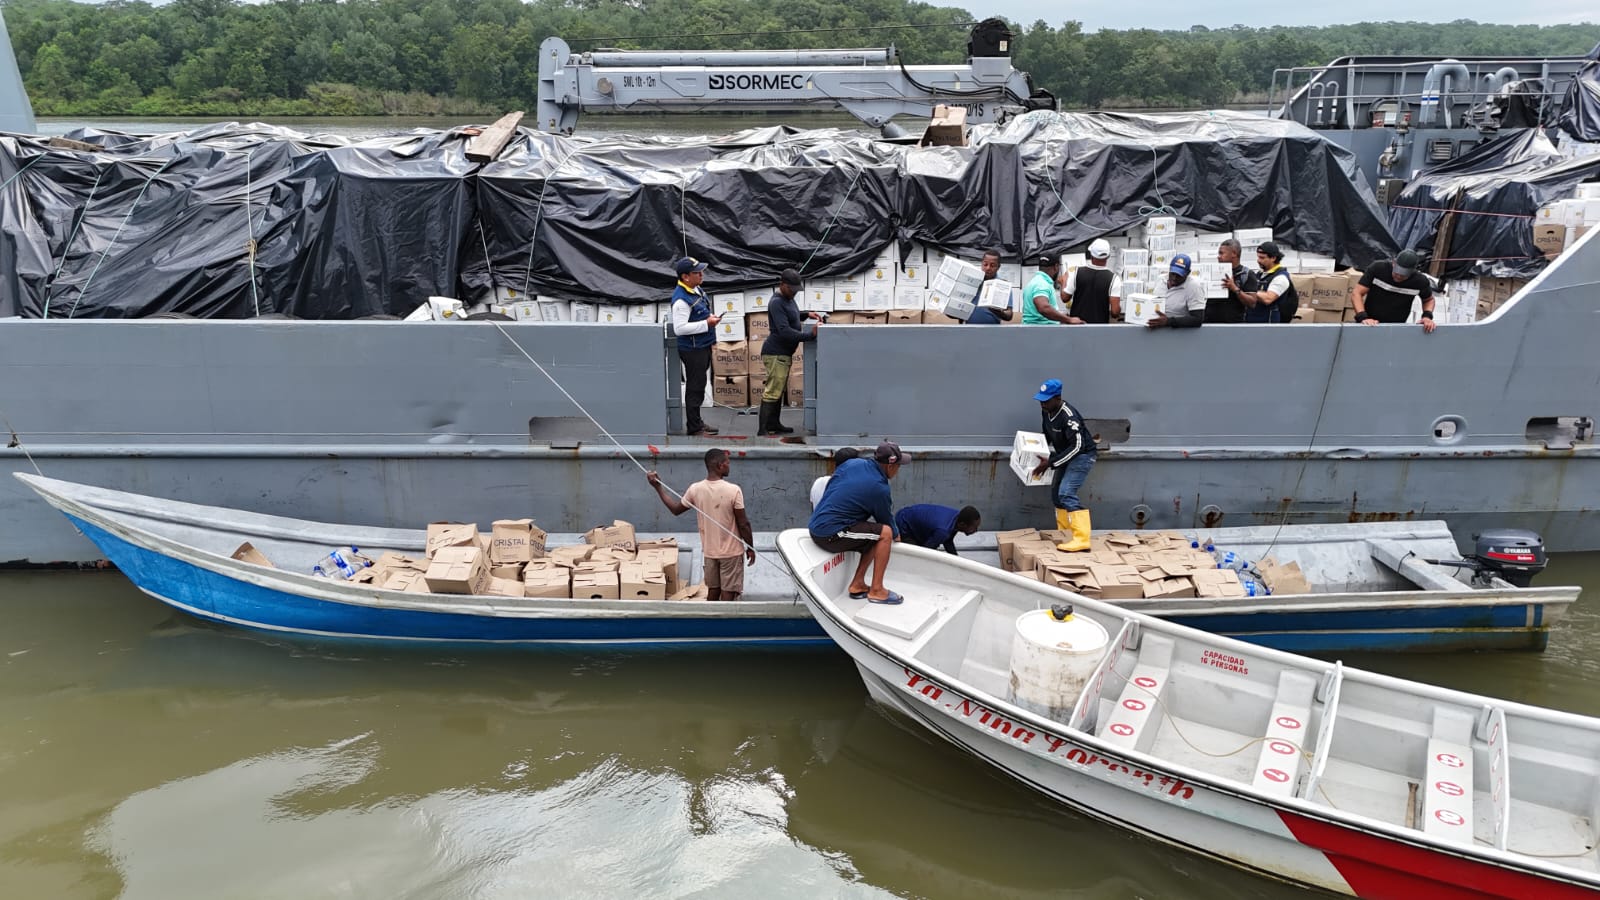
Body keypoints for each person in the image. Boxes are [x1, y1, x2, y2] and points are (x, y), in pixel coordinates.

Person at [647, 448, 755, 601]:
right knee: (728, 594)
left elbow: (676, 510)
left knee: (713, 591)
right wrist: (750, 547)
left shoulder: (695, 489)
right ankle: (724, 623)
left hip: (710, 553)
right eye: (727, 463)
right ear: (719, 466)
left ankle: (710, 623)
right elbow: (743, 523)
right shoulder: (734, 490)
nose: (729, 466)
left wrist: (658, 488)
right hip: (731, 554)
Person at [808, 441, 907, 605]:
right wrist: (897, 537)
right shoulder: (879, 488)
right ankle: (877, 591)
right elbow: (886, 521)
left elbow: (833, 487)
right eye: (899, 466)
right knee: (886, 534)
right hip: (831, 534)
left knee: (873, 536)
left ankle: (857, 584)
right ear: (890, 466)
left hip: (817, 526)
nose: (898, 470)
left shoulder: (852, 464)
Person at [1029, 379, 1096, 552]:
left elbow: (1078, 446)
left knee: (1066, 493)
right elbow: (1047, 435)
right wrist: (1034, 447)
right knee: (1056, 496)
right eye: (1041, 400)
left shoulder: (1069, 416)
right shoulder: (1047, 411)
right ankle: (1065, 533)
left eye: (1046, 400)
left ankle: (1082, 539)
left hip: (1082, 456)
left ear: (1058, 398)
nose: (1042, 403)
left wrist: (1050, 463)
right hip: (1064, 455)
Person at [758, 268, 822, 435]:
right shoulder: (776, 302)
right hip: (775, 353)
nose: (794, 293)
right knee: (773, 391)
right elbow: (784, 330)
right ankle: (763, 430)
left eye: (796, 290)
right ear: (782, 285)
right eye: (792, 289)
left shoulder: (787, 299)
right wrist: (810, 335)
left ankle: (774, 424)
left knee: (778, 390)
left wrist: (806, 314)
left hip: (782, 354)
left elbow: (792, 316)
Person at [669, 256, 722, 435]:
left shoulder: (695, 289)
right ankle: (694, 427)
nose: (701, 275)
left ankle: (697, 422)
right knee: (695, 387)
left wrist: (710, 318)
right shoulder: (681, 301)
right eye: (697, 273)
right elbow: (680, 329)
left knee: (699, 385)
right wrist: (708, 323)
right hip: (692, 349)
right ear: (685, 277)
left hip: (701, 346)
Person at [1351, 249, 1437, 332]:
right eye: (1396, 272)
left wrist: (1427, 317)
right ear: (1393, 263)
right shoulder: (1377, 269)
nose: (1398, 276)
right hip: (1369, 325)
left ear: (1412, 271)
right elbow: (1357, 293)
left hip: (1397, 328)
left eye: (1403, 275)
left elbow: (1428, 300)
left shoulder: (1420, 281)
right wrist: (1362, 317)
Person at [1225, 241, 1298, 324]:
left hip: (1268, 326)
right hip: (1252, 322)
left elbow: (1268, 298)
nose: (1258, 260)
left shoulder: (1281, 278)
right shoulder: (1259, 274)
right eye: (1258, 257)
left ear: (1273, 258)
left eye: (1262, 258)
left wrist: (1242, 290)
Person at [1061, 239, 1121, 324]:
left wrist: (1064, 279)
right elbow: (1115, 312)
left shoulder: (1076, 272)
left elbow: (1064, 298)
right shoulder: (1114, 279)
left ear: (1091, 254)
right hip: (1099, 329)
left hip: (1077, 326)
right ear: (1108, 256)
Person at [1146, 254, 1206, 330]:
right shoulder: (1160, 279)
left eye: (1179, 275)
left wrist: (1168, 321)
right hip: (1156, 330)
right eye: (1172, 273)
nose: (1174, 278)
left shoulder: (1194, 287)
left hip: (1178, 334)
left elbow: (1197, 319)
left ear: (1188, 273)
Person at [894, 504, 981, 555]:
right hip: (904, 524)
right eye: (974, 527)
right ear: (962, 524)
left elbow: (948, 542)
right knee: (913, 554)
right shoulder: (943, 531)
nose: (976, 530)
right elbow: (925, 551)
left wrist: (957, 559)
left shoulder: (956, 517)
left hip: (910, 516)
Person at [1207, 239, 1256, 323]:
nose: (1218, 256)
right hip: (1209, 325)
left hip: (1233, 327)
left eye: (1221, 253)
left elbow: (1252, 303)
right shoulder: (1211, 271)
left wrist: (1234, 288)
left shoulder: (1246, 274)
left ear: (1234, 254)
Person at [962, 251, 1014, 324]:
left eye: (992, 265)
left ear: (998, 267)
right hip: (969, 330)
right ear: (981, 264)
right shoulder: (971, 281)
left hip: (992, 331)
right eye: (985, 264)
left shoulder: (1003, 285)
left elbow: (1009, 315)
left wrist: (999, 312)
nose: (988, 268)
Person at [1022, 255, 1074, 324]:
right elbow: (1043, 308)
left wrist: (1061, 316)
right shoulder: (1041, 284)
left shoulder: (1036, 281)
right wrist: (1068, 320)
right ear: (1056, 266)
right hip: (1041, 332)